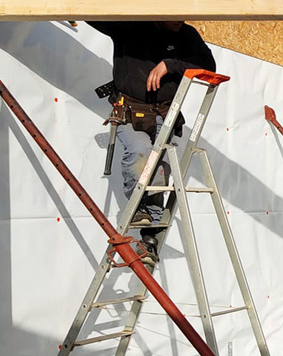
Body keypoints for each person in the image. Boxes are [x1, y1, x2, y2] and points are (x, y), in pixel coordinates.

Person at [87, 21, 216, 266]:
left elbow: (208, 65)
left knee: (158, 168)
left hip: (163, 113)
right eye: (174, 16)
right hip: (129, 108)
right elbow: (91, 13)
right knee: (140, 153)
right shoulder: (130, 26)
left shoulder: (186, 34)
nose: (180, 21)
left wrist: (171, 64)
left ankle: (149, 240)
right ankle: (140, 211)